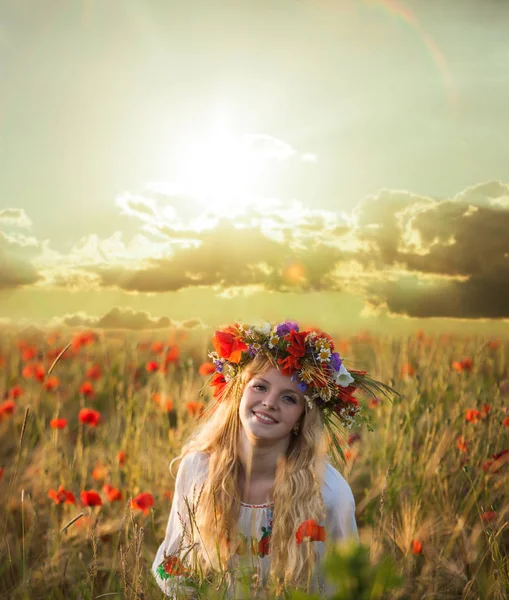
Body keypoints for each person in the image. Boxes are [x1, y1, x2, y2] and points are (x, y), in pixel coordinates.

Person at [152, 320, 395, 598]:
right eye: (260, 387)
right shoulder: (198, 469)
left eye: (289, 398)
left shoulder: (329, 495)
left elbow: (344, 588)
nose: (269, 402)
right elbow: (174, 564)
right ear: (239, 391)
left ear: (302, 418)